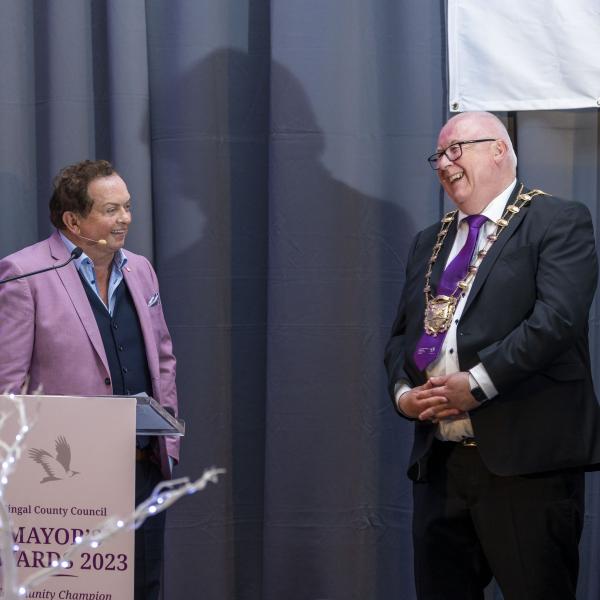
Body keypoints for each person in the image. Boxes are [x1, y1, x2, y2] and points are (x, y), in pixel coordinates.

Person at [384, 111, 600, 600]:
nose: (443, 163)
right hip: (441, 462)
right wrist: (404, 396)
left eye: (455, 149)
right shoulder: (428, 240)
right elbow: (399, 338)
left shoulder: (557, 220)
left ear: (499, 149)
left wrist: (477, 384)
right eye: (438, 155)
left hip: (526, 462)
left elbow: (557, 321)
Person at [0, 159, 179, 600]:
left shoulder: (140, 269)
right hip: (66, 482)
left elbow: (162, 357)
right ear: (73, 220)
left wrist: (168, 439)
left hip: (140, 468)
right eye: (112, 210)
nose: (126, 220)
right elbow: (8, 388)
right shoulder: (26, 274)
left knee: (144, 587)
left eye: (127, 207)